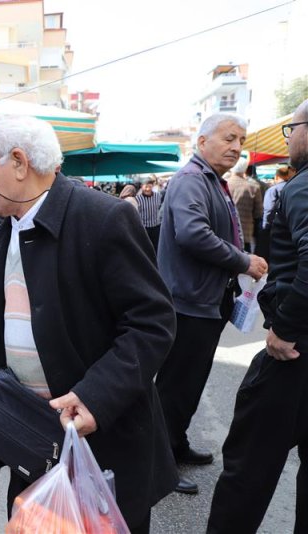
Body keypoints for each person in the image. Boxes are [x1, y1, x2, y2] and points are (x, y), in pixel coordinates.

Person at [0, 114, 177, 534]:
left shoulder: (103, 218)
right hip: (32, 435)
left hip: (101, 440)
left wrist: (96, 395)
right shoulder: (5, 233)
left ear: (19, 163)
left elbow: (152, 323)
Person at [207, 99, 308, 534]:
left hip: (294, 351)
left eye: (293, 129)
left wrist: (284, 329)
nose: (290, 140)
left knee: (248, 467)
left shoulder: (302, 188)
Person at [155, 112, 268, 495]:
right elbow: (192, 234)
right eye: (229, 138)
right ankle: (160, 466)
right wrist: (243, 261)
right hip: (187, 302)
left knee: (190, 382)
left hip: (205, 299)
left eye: (241, 140)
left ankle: (176, 443)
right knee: (176, 385)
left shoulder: (211, 180)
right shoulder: (191, 180)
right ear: (202, 142)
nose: (236, 147)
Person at [257, 165, 294, 261]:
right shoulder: (294, 187)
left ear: (277, 176)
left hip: (275, 226)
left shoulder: (273, 190)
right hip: (291, 225)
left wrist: (265, 225)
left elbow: (268, 209)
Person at [227, 155, 263, 252]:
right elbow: (258, 213)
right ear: (245, 168)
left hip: (224, 234)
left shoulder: (222, 184)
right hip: (245, 234)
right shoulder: (253, 187)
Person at [136, 178, 164, 250]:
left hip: (156, 227)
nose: (148, 189)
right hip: (144, 228)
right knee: (145, 248)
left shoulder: (158, 196)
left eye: (150, 186)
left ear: (153, 186)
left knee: (157, 247)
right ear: (142, 186)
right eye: (146, 187)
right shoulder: (137, 199)